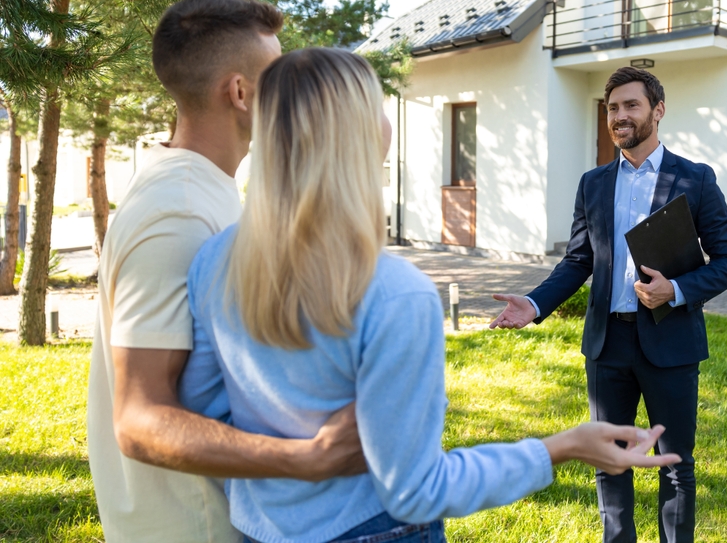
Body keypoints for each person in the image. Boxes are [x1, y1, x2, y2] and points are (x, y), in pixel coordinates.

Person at [178, 47, 680, 543]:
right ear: (358, 131)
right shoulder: (396, 294)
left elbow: (204, 417)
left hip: (256, 529)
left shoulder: (214, 260)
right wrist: (559, 448)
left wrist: (279, 488)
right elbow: (416, 492)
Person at [87, 0, 366, 543]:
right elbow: (139, 418)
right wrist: (307, 458)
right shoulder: (180, 210)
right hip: (193, 528)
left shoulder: (200, 188)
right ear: (240, 93)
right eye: (279, 76)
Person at [490, 67, 727, 543]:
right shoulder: (594, 183)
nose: (620, 116)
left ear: (657, 111)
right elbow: (578, 260)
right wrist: (534, 303)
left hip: (670, 342)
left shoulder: (695, 179)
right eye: (613, 108)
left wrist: (678, 289)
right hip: (606, 346)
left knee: (674, 466)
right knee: (609, 462)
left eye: (631, 105)